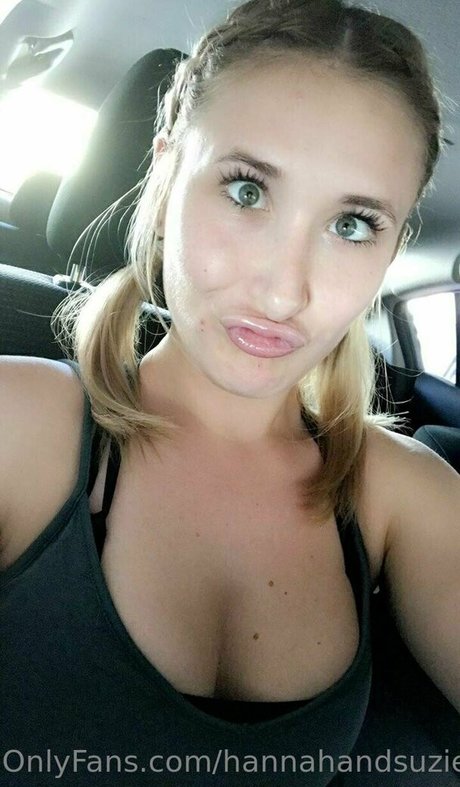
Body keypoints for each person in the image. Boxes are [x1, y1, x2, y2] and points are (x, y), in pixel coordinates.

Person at [1, 0, 459, 784]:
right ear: (166, 173)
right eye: (246, 191)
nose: (284, 291)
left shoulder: (404, 492)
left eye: (352, 225)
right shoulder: (19, 428)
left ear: (390, 251)